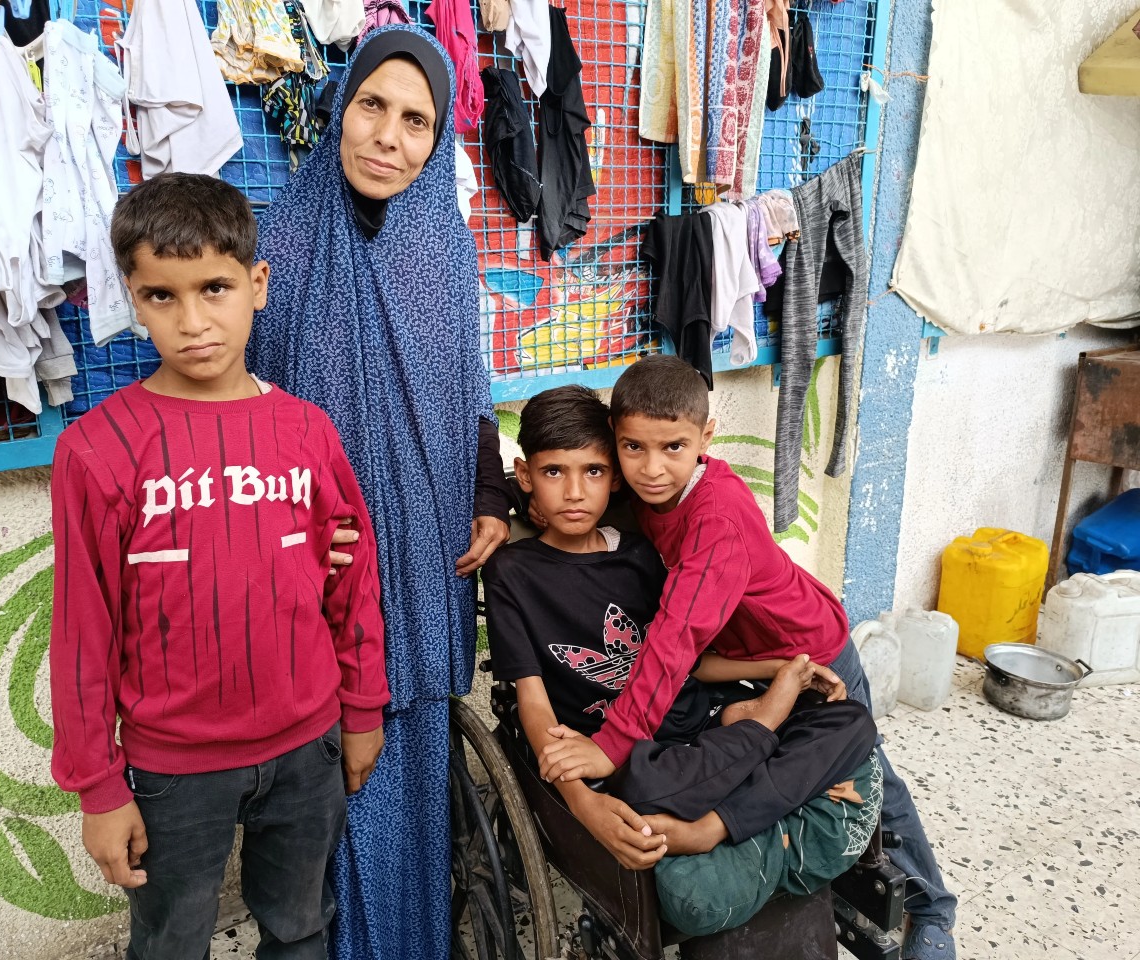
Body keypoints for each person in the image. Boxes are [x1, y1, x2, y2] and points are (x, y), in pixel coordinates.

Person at [48, 173, 390, 960]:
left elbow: (351, 578)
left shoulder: (307, 432)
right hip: (174, 770)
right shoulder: (98, 451)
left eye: (214, 288)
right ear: (133, 299)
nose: (194, 321)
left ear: (257, 284)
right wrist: (98, 788)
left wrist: (363, 708)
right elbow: (81, 633)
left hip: (308, 748)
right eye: (162, 296)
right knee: (170, 943)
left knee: (302, 926)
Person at [537, 356, 959, 960]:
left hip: (810, 652)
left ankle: (931, 910)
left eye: (673, 447)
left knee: (870, 778)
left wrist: (612, 742)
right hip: (738, 664)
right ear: (617, 439)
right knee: (772, 765)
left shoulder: (718, 522)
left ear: (706, 439)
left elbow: (673, 641)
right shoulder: (648, 487)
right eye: (633, 448)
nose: (651, 469)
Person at [247, 25, 511, 960]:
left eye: (416, 121)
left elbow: (470, 389)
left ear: (437, 143)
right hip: (317, 569)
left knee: (416, 765)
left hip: (430, 545)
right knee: (323, 781)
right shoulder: (275, 242)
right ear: (339, 107)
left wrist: (490, 495)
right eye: (372, 107)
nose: (389, 138)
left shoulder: (447, 249)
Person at [482, 384, 877, 867]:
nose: (574, 493)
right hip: (639, 755)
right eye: (553, 473)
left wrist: (782, 668)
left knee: (851, 722)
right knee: (645, 790)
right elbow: (533, 700)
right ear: (525, 475)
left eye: (593, 472)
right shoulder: (512, 573)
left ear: (615, 479)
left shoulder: (638, 551)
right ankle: (758, 745)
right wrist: (586, 805)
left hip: (700, 721)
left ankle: (712, 820)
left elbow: (682, 656)